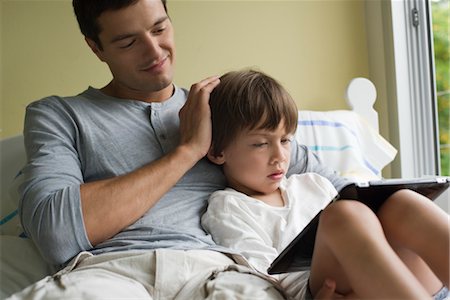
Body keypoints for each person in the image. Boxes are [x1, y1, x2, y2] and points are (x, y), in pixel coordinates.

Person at [8, 0, 345, 299]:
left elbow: (342, 191)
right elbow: (55, 232)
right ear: (95, 47)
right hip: (110, 271)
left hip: (220, 273)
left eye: (160, 28)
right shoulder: (59, 115)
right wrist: (186, 151)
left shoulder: (222, 108)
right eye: (128, 42)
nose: (154, 51)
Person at [201, 69, 450, 300]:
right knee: (343, 215)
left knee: (401, 202)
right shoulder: (227, 207)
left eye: (286, 140)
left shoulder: (313, 183)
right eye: (260, 144)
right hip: (322, 293)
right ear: (217, 151)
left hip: (395, 285)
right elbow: (265, 276)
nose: (280, 156)